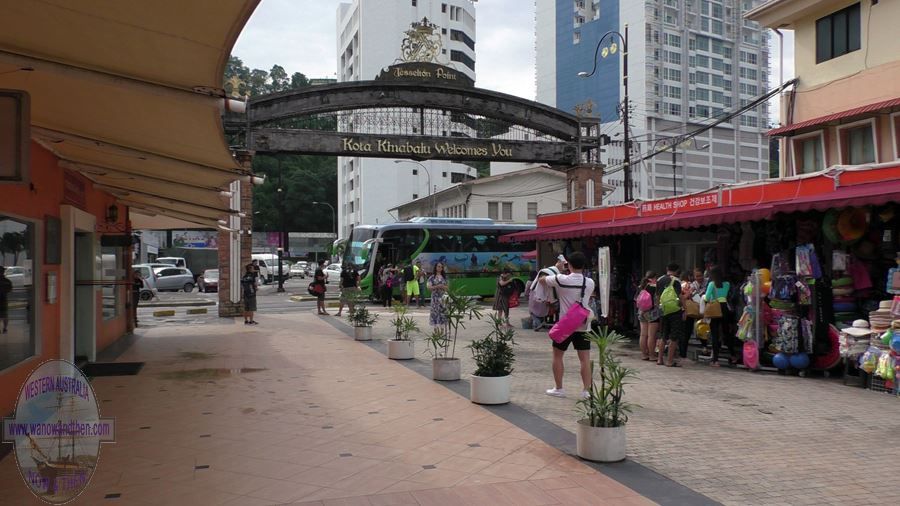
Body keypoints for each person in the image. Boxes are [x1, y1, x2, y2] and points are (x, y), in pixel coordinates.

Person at [540, 251, 596, 399]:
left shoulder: (561, 279)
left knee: (557, 356)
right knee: (584, 358)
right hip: (583, 325)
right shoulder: (589, 282)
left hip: (565, 325)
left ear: (568, 265)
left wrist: (557, 268)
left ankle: (559, 388)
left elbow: (542, 280)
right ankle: (586, 391)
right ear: (584, 266)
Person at [704, 266, 734, 367]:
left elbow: (707, 297)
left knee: (715, 334)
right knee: (726, 332)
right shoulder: (727, 284)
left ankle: (715, 360)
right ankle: (733, 355)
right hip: (724, 308)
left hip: (715, 308)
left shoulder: (712, 284)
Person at [656, 263, 683, 367]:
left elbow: (657, 296)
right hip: (675, 311)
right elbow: (680, 296)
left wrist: (659, 307)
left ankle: (659, 359)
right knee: (674, 336)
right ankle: (670, 361)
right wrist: (684, 308)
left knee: (663, 335)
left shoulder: (659, 280)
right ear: (677, 271)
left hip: (663, 310)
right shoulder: (676, 281)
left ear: (667, 269)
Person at [636, 271, 659, 361]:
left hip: (641, 311)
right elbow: (657, 300)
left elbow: (636, 299)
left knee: (643, 334)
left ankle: (644, 354)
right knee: (651, 335)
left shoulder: (640, 286)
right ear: (653, 278)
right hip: (652, 312)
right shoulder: (654, 287)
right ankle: (652, 355)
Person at [427, 262, 449, 327]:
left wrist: (443, 287)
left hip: (443, 298)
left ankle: (442, 330)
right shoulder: (432, 277)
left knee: (442, 313)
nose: (440, 268)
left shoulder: (444, 277)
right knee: (435, 313)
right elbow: (429, 287)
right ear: (436, 267)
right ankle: (436, 332)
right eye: (438, 266)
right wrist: (437, 286)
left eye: (441, 267)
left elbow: (447, 288)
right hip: (435, 298)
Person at [0, 266, 12, 334]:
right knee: (5, 315)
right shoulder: (7, 281)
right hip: (4, 300)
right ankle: (5, 328)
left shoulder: (7, 281)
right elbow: (9, 289)